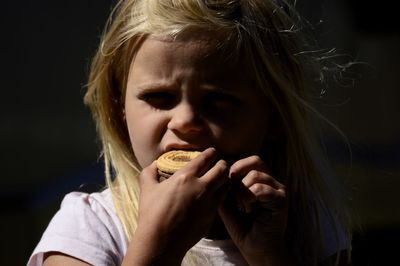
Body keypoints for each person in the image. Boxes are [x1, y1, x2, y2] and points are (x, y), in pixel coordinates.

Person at [28, 0, 352, 265]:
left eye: (218, 100)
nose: (185, 121)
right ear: (118, 108)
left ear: (274, 115)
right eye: (159, 97)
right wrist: (158, 246)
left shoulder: (304, 223)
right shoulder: (88, 230)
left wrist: (269, 256)